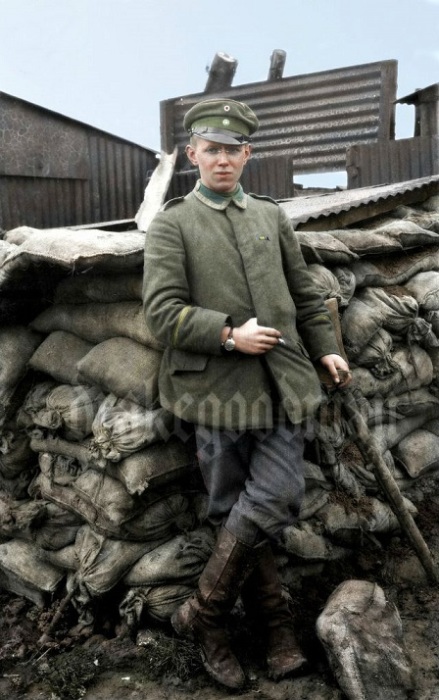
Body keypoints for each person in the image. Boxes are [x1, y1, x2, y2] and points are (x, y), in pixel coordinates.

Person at [142, 97, 351, 690]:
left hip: (283, 384)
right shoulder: (173, 225)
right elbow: (161, 314)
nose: (223, 159)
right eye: (212, 149)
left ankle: (202, 616)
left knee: (277, 495)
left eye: (233, 150)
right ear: (193, 155)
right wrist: (229, 335)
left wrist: (326, 346)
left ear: (247, 154)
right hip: (213, 393)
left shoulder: (269, 216)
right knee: (231, 507)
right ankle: (277, 632)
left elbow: (305, 292)